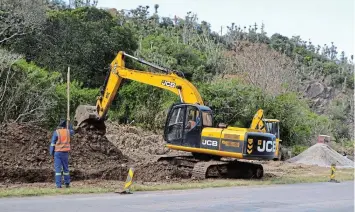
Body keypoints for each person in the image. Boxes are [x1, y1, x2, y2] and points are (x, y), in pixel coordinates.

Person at [49, 119, 75, 188]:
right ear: (65, 125)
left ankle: (58, 185)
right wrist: (69, 124)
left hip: (57, 153)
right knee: (66, 169)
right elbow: (73, 131)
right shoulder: (68, 132)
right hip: (65, 153)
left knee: (58, 170)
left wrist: (51, 153)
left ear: (59, 125)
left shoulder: (56, 132)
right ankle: (67, 183)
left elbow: (52, 144)